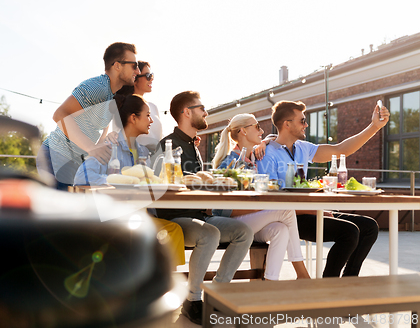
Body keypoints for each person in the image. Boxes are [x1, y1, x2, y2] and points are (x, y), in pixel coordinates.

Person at [257, 100, 390, 277]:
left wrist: (374, 126)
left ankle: (348, 282)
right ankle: (328, 285)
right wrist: (314, 211)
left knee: (369, 227)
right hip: (289, 217)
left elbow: (341, 149)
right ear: (287, 124)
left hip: (309, 211)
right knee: (349, 232)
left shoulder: (303, 148)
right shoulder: (266, 154)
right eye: (302, 121)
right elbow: (271, 202)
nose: (306, 124)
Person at [154, 91, 254, 325]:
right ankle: (193, 300)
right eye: (201, 108)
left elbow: (197, 180)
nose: (206, 112)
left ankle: (217, 294)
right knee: (210, 234)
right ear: (186, 112)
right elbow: (161, 186)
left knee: (244, 231)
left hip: (199, 215)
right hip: (175, 218)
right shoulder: (167, 145)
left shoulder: (193, 144)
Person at [73, 93, 185, 267]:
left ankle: (163, 281)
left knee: (173, 230)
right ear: (133, 118)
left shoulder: (142, 152)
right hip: (113, 218)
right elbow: (81, 177)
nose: (151, 120)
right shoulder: (109, 147)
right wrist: (117, 180)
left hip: (139, 215)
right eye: (147, 115)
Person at [211, 113, 310, 281]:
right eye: (257, 127)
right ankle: (302, 274)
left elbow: (274, 137)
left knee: (281, 229)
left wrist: (265, 141)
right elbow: (220, 210)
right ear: (243, 131)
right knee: (286, 210)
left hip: (250, 221)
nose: (261, 131)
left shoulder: (253, 159)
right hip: (231, 224)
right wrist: (260, 206)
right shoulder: (231, 163)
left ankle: (269, 283)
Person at [37, 42, 140, 190]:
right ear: (117, 66)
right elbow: (59, 114)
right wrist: (91, 147)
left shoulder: (112, 96)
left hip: (74, 162)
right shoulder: (97, 87)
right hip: (55, 157)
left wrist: (104, 145)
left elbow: (100, 133)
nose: (137, 70)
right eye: (134, 65)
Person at [112, 62, 163, 154]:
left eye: (152, 76)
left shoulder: (153, 107)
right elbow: (119, 135)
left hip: (157, 157)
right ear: (135, 78)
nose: (151, 79)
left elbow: (160, 138)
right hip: (137, 157)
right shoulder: (123, 106)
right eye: (148, 76)